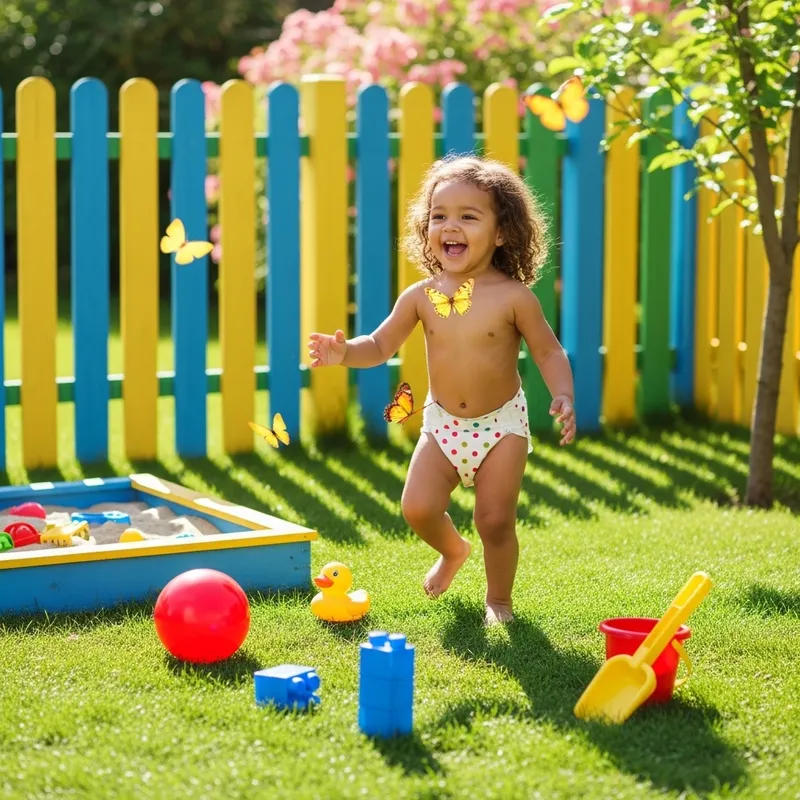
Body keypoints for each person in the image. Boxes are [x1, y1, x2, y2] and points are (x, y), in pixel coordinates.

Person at [307, 155, 576, 625]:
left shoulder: (514, 297)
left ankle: (499, 600)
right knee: (417, 507)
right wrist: (344, 352)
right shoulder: (420, 296)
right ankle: (453, 551)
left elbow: (549, 352)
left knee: (495, 520)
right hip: (443, 423)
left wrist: (563, 394)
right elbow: (380, 343)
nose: (450, 226)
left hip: (501, 427)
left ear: (501, 232)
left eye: (468, 217)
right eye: (439, 216)